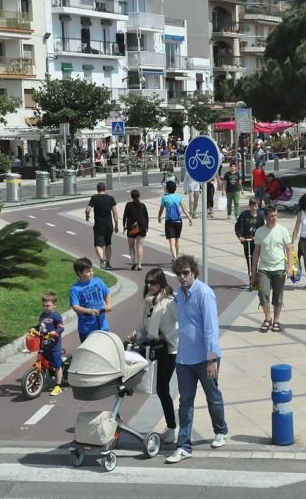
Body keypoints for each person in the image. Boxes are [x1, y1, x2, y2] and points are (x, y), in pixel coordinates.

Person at [165, 255, 228, 464]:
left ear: (193, 273)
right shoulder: (179, 295)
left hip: (205, 358)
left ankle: (220, 430)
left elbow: (211, 329)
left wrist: (211, 360)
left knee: (213, 396)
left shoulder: (204, 293)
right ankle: (183, 446)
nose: (182, 277)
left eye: (186, 273)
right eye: (179, 274)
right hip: (184, 358)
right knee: (185, 403)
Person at [131, 268, 179, 444]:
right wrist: (136, 335)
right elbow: (143, 327)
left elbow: (182, 324)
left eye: (153, 283)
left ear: (161, 284)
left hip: (168, 351)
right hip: (152, 349)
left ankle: (172, 428)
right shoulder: (148, 302)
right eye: (147, 282)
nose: (149, 285)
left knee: (162, 389)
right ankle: (171, 427)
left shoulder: (169, 302)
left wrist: (166, 337)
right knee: (158, 389)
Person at [251, 205, 293, 333]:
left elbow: (289, 249)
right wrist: (253, 270)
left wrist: (290, 266)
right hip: (264, 268)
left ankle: (276, 320)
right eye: (271, 216)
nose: (274, 218)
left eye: (275, 215)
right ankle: (267, 318)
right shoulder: (259, 232)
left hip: (279, 267)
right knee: (263, 293)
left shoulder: (283, 230)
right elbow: (256, 251)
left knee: (278, 296)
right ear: (265, 218)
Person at [69, 257, 113, 343]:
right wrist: (89, 311)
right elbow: (75, 306)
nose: (91, 273)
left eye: (92, 270)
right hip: (86, 328)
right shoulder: (75, 289)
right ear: (79, 273)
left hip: (102, 325)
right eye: (88, 271)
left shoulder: (98, 281)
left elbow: (107, 295)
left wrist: (108, 305)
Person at [34, 292, 65, 396]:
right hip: (43, 343)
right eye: (44, 306)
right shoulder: (43, 315)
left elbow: (61, 327)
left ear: (55, 305)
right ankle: (45, 374)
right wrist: (34, 328)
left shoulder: (56, 316)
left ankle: (58, 386)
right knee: (43, 360)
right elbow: (41, 325)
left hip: (53, 345)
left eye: (48, 306)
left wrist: (55, 332)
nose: (45, 308)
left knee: (57, 365)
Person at [85, 182, 119, 270]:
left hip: (99, 225)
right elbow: (115, 213)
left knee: (98, 244)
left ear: (97, 189)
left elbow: (88, 209)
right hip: (109, 224)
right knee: (108, 244)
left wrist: (87, 216)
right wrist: (116, 225)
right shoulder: (111, 198)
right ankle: (108, 262)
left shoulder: (94, 198)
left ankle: (102, 259)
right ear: (105, 189)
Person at [158, 180, 193, 260]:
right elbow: (184, 209)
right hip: (178, 221)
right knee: (177, 240)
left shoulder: (164, 198)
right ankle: (175, 257)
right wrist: (189, 218)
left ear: (167, 189)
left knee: (171, 242)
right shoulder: (178, 197)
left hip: (169, 221)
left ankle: (175, 258)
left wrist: (159, 217)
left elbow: (161, 210)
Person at [235, 198, 265, 287]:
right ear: (250, 206)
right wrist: (240, 236)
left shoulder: (260, 216)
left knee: (255, 261)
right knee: (250, 261)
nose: (255, 208)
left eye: (256, 206)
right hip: (247, 242)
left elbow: (263, 228)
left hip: (256, 243)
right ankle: (252, 280)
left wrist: (258, 236)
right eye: (253, 206)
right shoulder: (244, 215)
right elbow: (238, 227)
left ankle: (256, 281)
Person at [122, 189, 149, 271]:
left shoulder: (128, 205)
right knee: (140, 246)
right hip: (141, 228)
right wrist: (147, 226)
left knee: (131, 246)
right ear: (139, 196)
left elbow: (125, 216)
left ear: (131, 196)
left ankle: (133, 263)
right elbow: (146, 217)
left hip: (131, 228)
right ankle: (139, 265)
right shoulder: (143, 206)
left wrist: (124, 226)